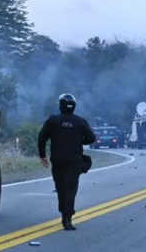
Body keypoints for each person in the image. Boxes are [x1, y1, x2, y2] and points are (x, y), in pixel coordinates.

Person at [37, 93, 96, 231]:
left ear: (60, 106)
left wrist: (42, 156)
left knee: (60, 187)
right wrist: (78, 140)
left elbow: (41, 138)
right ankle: (67, 218)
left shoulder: (52, 121)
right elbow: (91, 138)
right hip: (74, 160)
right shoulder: (80, 121)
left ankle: (63, 210)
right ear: (74, 106)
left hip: (57, 160)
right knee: (70, 189)